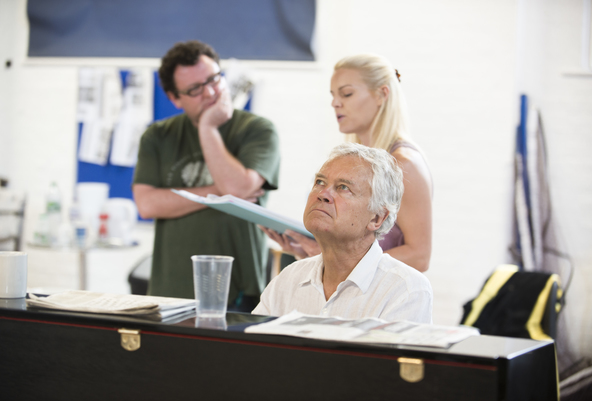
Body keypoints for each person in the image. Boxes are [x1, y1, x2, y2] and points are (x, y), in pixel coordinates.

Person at [132, 40, 280, 311]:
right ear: (175, 98)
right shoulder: (158, 136)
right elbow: (147, 204)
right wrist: (223, 193)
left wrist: (208, 129)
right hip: (170, 289)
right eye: (195, 89)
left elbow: (237, 186)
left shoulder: (257, 130)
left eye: (214, 79)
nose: (211, 92)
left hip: (238, 292)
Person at [262, 54, 432, 272]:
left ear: (381, 94)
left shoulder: (404, 164)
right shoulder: (356, 161)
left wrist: (333, 259)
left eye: (347, 93)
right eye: (333, 95)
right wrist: (316, 254)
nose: (335, 102)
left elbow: (419, 257)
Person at [253, 143, 432, 323]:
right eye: (320, 182)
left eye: (343, 187)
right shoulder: (288, 279)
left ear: (377, 218)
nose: (322, 193)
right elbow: (251, 347)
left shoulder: (406, 290)